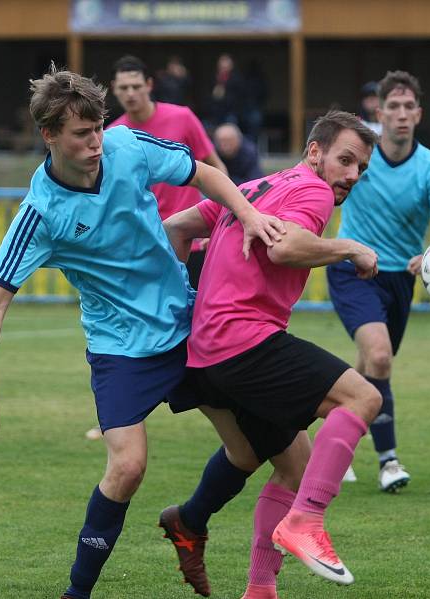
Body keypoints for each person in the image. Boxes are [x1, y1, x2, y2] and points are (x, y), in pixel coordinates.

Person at [0, 66, 283, 599]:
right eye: (82, 133)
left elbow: (203, 173)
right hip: (120, 347)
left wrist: (248, 213)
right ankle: (77, 594)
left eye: (98, 127)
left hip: (183, 323)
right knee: (127, 466)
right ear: (49, 136)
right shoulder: (40, 212)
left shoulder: (126, 144)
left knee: (246, 453)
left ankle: (188, 523)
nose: (97, 141)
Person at [160, 111, 382, 598]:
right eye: (345, 160)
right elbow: (285, 248)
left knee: (290, 464)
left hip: (205, 351)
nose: (351, 175)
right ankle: (307, 520)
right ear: (315, 152)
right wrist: (350, 248)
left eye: (361, 168)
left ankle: (257, 586)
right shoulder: (314, 190)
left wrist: (184, 306)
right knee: (362, 399)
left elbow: (176, 227)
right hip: (244, 343)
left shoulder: (256, 186)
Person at [327, 71, 430, 492]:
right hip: (353, 270)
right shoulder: (358, 159)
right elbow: (320, 186)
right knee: (380, 358)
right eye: (393, 107)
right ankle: (388, 462)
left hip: (401, 278)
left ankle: (334, 442)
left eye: (408, 107)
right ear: (379, 112)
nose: (401, 115)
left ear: (418, 114)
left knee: (368, 367)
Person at [107, 55, 227, 289]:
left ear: (149, 85)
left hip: (190, 239)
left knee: (198, 319)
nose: (130, 93)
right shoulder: (112, 135)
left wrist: (218, 221)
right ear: (114, 90)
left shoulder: (182, 117)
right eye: (124, 87)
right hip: (145, 245)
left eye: (136, 86)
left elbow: (216, 167)